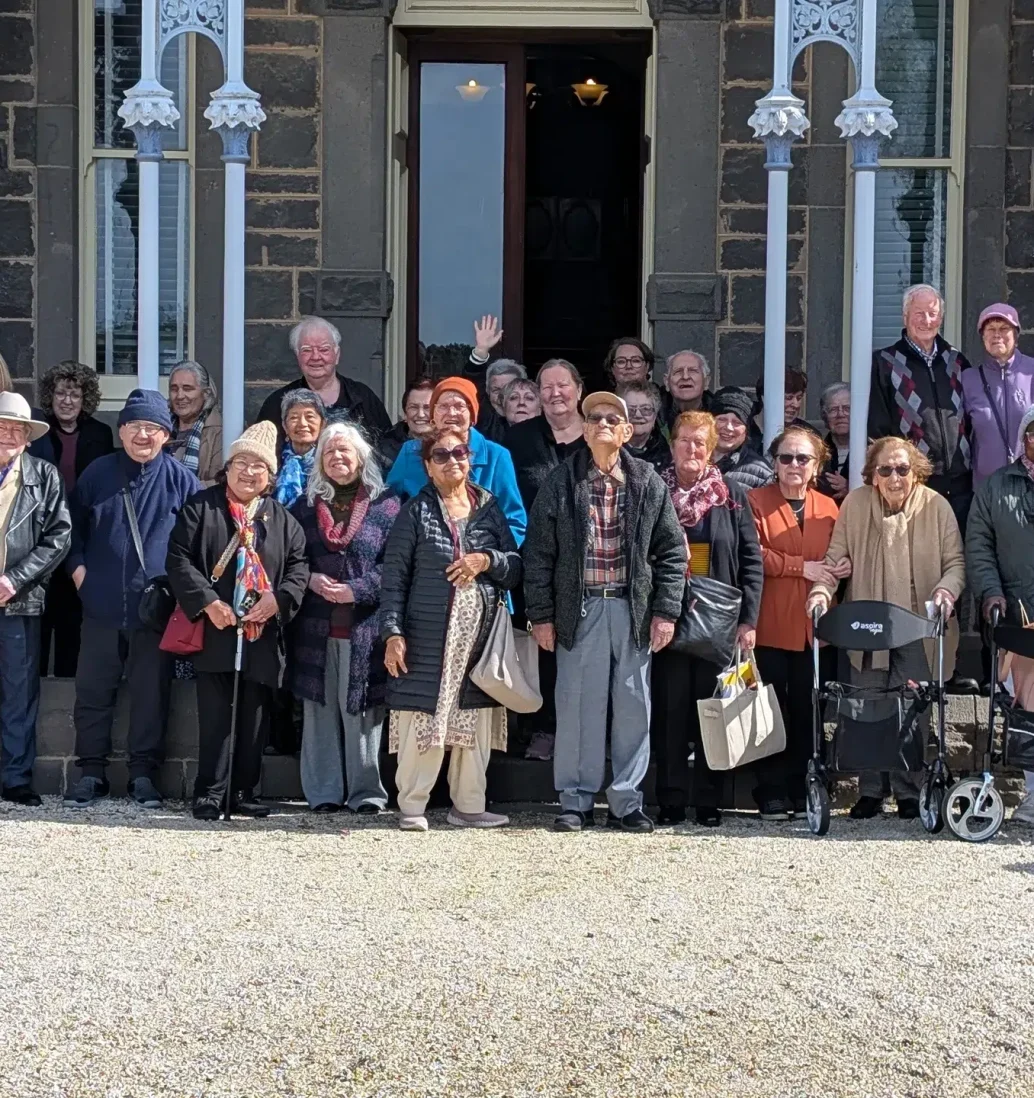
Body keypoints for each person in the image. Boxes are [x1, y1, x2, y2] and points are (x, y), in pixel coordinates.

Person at [524, 392, 687, 834]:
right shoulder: (562, 481)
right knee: (577, 706)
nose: (601, 425)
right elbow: (538, 553)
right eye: (593, 418)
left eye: (612, 418)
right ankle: (575, 801)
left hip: (632, 610)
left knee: (634, 707)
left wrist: (666, 612)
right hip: (580, 610)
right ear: (584, 427)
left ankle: (626, 802)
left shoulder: (648, 482)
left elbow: (672, 552)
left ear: (627, 431)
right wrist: (540, 614)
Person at [806, 436, 966, 820]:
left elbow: (956, 564)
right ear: (872, 475)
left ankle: (909, 792)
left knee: (912, 706)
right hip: (867, 622)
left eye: (902, 469)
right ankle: (870, 790)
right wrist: (820, 593)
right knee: (866, 704)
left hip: (916, 623)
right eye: (885, 470)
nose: (895, 477)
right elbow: (835, 559)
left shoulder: (937, 506)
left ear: (916, 472)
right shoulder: (856, 505)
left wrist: (946, 589)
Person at [63, 390, 202, 809]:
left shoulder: (181, 480)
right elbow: (71, 531)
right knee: (92, 693)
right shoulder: (97, 473)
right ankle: (91, 773)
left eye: (153, 427)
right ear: (121, 430)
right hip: (101, 606)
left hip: (155, 612)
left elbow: (200, 543)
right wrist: (80, 574)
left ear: (165, 435)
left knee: (151, 694)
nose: (143, 434)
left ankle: (144, 774)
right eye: (135, 426)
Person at [381, 426, 523, 831]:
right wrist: (392, 633)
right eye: (440, 455)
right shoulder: (416, 512)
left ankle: (469, 807)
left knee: (474, 723)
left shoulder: (489, 508)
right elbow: (393, 578)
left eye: (459, 453)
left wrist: (487, 561)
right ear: (427, 466)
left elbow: (515, 567)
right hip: (427, 639)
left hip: (477, 641)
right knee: (422, 721)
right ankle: (412, 807)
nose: (451, 461)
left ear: (470, 458)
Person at [166, 421, 309, 820]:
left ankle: (244, 790)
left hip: (260, 633)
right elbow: (178, 558)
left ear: (270, 475)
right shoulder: (202, 506)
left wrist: (277, 600)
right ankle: (209, 793)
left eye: (258, 466)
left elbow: (299, 568)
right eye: (241, 463)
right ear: (227, 467)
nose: (249, 472)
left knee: (254, 716)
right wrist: (208, 602)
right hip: (216, 629)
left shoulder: (282, 519)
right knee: (214, 716)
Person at [650, 411, 764, 827]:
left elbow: (752, 560)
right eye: (684, 440)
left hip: (718, 622)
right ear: (673, 444)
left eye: (700, 442)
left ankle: (709, 801)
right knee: (670, 714)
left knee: (714, 712)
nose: (692, 449)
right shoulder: (654, 491)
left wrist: (748, 621)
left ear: (712, 448)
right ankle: (671, 800)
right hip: (668, 617)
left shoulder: (732, 494)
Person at [289, 423, 399, 814]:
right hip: (315, 627)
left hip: (365, 626)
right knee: (319, 713)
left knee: (364, 713)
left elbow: (396, 565)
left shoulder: (387, 505)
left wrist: (359, 589)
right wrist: (310, 578)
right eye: (329, 451)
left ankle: (367, 794)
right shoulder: (302, 507)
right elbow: (289, 558)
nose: (338, 457)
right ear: (320, 460)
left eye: (345, 451)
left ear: (362, 458)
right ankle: (323, 793)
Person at [748, 426, 842, 819]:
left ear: (816, 465)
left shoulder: (830, 507)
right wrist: (801, 567)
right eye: (786, 457)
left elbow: (837, 557)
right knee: (769, 712)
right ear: (774, 462)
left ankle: (806, 787)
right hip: (771, 623)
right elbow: (754, 554)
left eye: (803, 458)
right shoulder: (755, 500)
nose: (793, 465)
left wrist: (839, 568)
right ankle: (770, 792)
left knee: (809, 711)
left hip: (815, 629)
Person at [505, 359, 588, 762]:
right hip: (535, 561)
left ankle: (583, 731)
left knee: (584, 647)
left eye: (563, 386)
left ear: (579, 390)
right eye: (547, 387)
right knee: (542, 646)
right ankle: (544, 727)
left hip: (590, 563)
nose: (556, 394)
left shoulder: (598, 437)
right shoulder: (517, 439)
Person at [0, 393, 71, 806]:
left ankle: (14, 778)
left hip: (19, 599)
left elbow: (58, 538)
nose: (9, 435)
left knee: (18, 693)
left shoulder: (43, 476)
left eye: (17, 429)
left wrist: (15, 579)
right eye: (3, 426)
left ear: (27, 437)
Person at [965, 404, 1034, 826]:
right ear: (1025, 437)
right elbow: (979, 546)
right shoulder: (996, 487)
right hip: (1022, 618)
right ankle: (1032, 797)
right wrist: (991, 592)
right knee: (1028, 708)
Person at [32, 361, 114, 677]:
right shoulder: (38, 430)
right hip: (43, 535)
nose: (67, 401)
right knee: (41, 619)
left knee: (72, 620)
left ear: (85, 399)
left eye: (75, 394)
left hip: (81, 536)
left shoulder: (100, 434)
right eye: (61, 393)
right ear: (50, 396)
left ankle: (68, 685)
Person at [869, 284, 972, 528]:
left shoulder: (957, 361)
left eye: (933, 313)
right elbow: (878, 427)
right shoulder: (885, 362)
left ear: (941, 317)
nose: (927, 320)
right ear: (905, 317)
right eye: (919, 313)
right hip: (914, 483)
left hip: (962, 486)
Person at [386, 377, 526, 542]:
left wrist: (488, 557)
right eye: (443, 406)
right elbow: (387, 508)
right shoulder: (411, 452)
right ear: (433, 415)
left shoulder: (497, 456)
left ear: (472, 416)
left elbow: (515, 521)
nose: (451, 413)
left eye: (460, 406)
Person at [255, 316, 392, 452]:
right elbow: (260, 453)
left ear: (337, 355)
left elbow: (387, 450)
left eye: (324, 349)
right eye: (307, 350)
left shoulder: (363, 398)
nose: (315, 356)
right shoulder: (278, 402)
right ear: (298, 357)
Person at [962, 303, 1034, 487]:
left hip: (1029, 486)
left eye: (1004, 328)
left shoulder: (1031, 372)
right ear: (983, 337)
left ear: (1016, 335)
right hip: (987, 489)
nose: (997, 335)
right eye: (990, 329)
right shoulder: (969, 379)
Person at [165, 360, 223, 486]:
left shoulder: (220, 432)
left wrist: (177, 492)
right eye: (174, 389)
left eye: (187, 389)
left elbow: (221, 483)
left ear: (206, 393)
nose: (180, 396)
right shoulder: (161, 428)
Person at [463, 315, 516, 443]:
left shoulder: (539, 424)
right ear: (487, 393)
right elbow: (472, 382)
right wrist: (481, 351)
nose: (502, 396)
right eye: (496, 390)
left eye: (509, 389)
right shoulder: (486, 421)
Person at [710, 385, 772, 491]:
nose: (729, 427)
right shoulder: (691, 460)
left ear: (746, 430)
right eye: (722, 419)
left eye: (737, 422)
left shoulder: (762, 476)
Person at [274, 389, 327, 511]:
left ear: (323, 424)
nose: (302, 423)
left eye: (309, 416)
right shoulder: (273, 460)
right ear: (285, 426)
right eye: (294, 417)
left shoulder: (329, 460)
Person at [377, 375, 435, 470]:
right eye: (413, 407)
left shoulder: (451, 449)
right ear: (405, 414)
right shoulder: (383, 453)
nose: (420, 414)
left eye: (427, 408)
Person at [748, 367, 811, 453]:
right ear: (765, 398)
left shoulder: (808, 434)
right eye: (788, 398)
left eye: (799, 398)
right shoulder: (743, 431)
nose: (796, 404)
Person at [617, 380, 670, 472]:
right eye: (630, 410)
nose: (638, 415)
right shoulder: (609, 450)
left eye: (646, 409)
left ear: (655, 416)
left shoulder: (666, 451)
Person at [660, 351, 711, 432]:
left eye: (693, 371)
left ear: (706, 382)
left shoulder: (721, 417)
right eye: (678, 371)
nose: (685, 377)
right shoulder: (652, 418)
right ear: (667, 382)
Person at [816, 381, 851, 501]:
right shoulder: (816, 452)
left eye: (847, 408)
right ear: (824, 416)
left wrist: (850, 488)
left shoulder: (871, 451)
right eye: (833, 410)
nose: (841, 414)